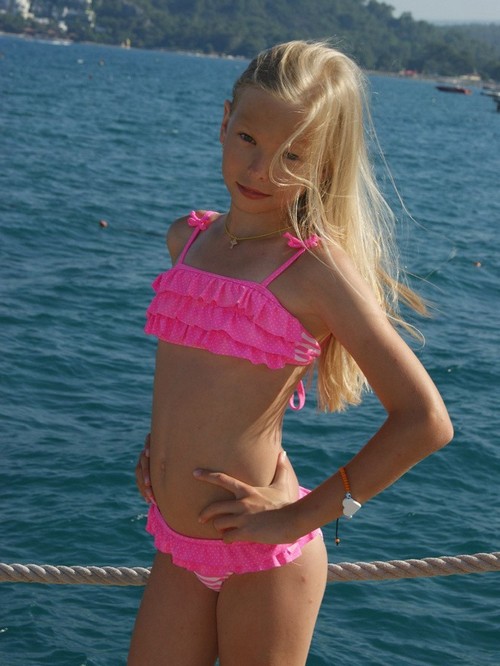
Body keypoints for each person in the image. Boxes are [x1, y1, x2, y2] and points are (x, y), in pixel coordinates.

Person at [128, 40, 453, 665]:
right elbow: (202, 385)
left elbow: (426, 420)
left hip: (265, 554)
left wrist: (299, 517)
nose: (261, 170)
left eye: (293, 156)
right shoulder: (187, 242)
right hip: (178, 543)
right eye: (248, 138)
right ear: (224, 121)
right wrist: (163, 449)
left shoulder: (313, 271)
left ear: (323, 165)